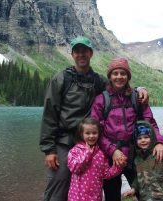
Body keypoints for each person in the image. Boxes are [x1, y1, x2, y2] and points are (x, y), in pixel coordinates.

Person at [39, 36, 149, 201]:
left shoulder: (98, 81)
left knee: (91, 185)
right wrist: (49, 150)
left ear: (91, 53)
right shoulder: (61, 79)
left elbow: (119, 86)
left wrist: (141, 89)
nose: (81, 55)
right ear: (72, 54)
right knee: (59, 184)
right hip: (64, 141)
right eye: (77, 51)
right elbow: (49, 114)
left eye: (85, 51)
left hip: (90, 141)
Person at [90, 57, 163, 201]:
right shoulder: (101, 100)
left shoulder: (137, 97)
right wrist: (113, 151)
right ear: (110, 76)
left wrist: (159, 142)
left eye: (123, 73)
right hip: (110, 158)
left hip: (135, 156)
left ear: (128, 76)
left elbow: (149, 122)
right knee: (112, 196)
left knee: (145, 192)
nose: (119, 77)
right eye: (115, 73)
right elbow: (96, 131)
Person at [67, 117, 123, 201]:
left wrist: (119, 166)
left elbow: (106, 174)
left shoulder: (101, 153)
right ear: (81, 134)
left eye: (94, 133)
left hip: (95, 197)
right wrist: (87, 154)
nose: (91, 136)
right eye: (87, 133)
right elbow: (75, 168)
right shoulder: (75, 151)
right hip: (77, 197)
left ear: (99, 134)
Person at [123, 120, 163, 201]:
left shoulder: (161, 154)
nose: (143, 140)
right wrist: (133, 189)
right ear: (135, 141)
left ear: (152, 138)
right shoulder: (137, 159)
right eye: (139, 138)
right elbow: (138, 178)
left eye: (146, 137)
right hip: (145, 198)